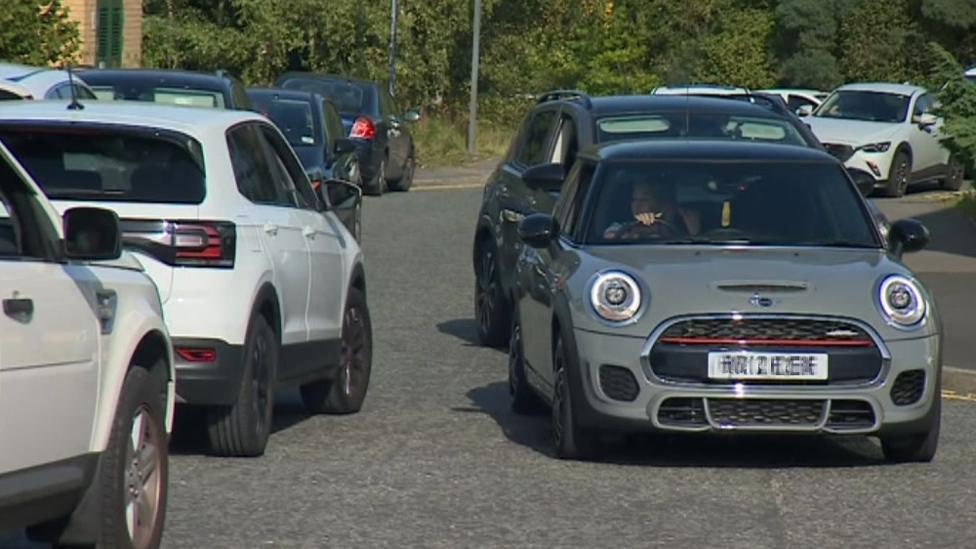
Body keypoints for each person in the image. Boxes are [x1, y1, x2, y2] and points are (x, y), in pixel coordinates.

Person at [603, 178, 700, 240]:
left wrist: (693, 231)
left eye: (644, 200)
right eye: (634, 200)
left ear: (663, 203)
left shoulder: (681, 229)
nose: (637, 205)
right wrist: (636, 230)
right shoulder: (621, 227)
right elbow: (609, 238)